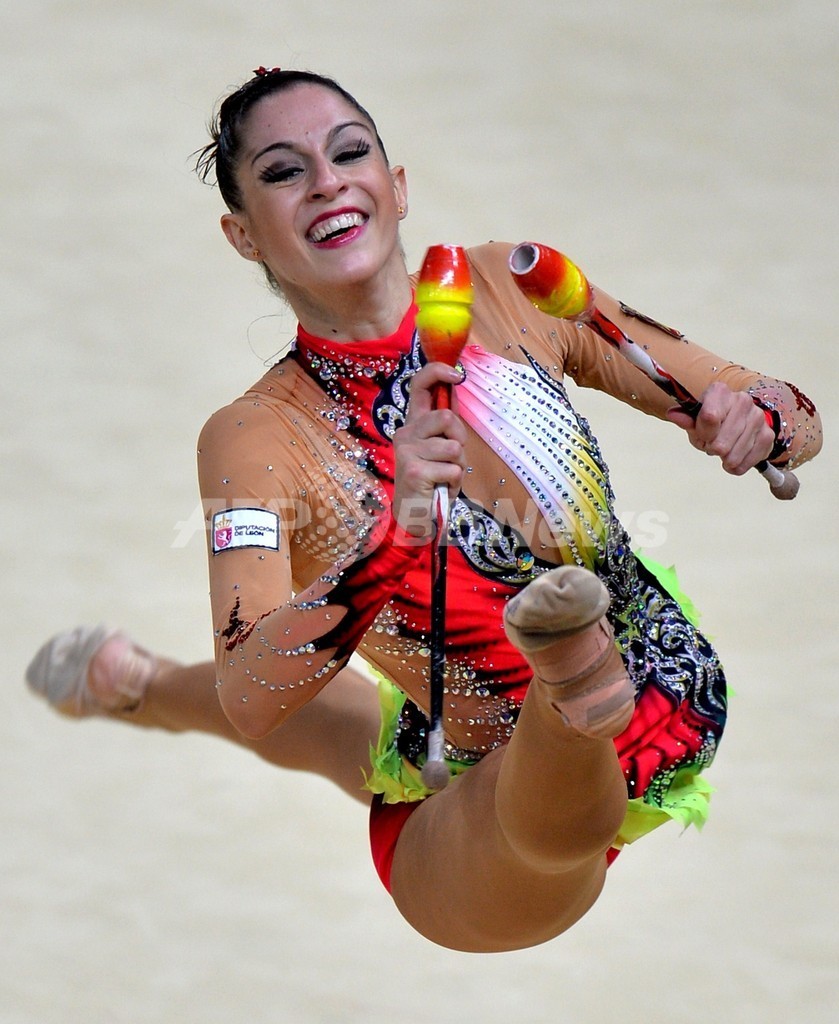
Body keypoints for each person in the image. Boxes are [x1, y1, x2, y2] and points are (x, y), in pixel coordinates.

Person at [26, 67, 821, 953]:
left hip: (585, 710)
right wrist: (393, 532)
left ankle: (131, 684)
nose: (327, 181)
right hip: (482, 833)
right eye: (284, 172)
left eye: (348, 152)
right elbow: (251, 691)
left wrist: (762, 421)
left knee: (346, 738)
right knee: (513, 799)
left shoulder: (512, 289)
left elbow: (778, 406)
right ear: (242, 235)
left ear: (395, 186)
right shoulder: (256, 439)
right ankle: (571, 679)